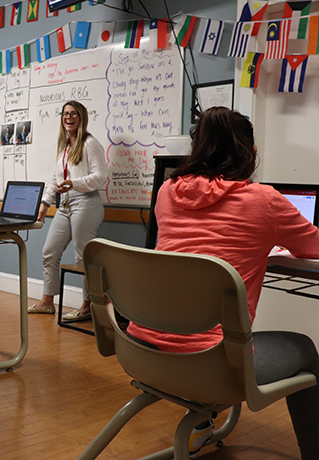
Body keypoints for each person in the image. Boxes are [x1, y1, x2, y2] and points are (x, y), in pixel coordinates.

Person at [127, 107, 319, 459]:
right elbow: (313, 246)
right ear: (251, 152)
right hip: (211, 366)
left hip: (143, 350)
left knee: (206, 320)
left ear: (196, 149)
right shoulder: (265, 200)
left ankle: (203, 422)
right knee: (306, 349)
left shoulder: (168, 192)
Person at [28, 100, 107, 319]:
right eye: (64, 113)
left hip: (86, 202)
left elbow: (101, 177)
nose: (68, 117)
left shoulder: (90, 143)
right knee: (49, 252)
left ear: (81, 118)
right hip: (64, 205)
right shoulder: (64, 146)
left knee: (82, 256)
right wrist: (44, 204)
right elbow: (54, 179)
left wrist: (74, 183)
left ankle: (87, 306)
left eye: (73, 113)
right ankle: (47, 301)